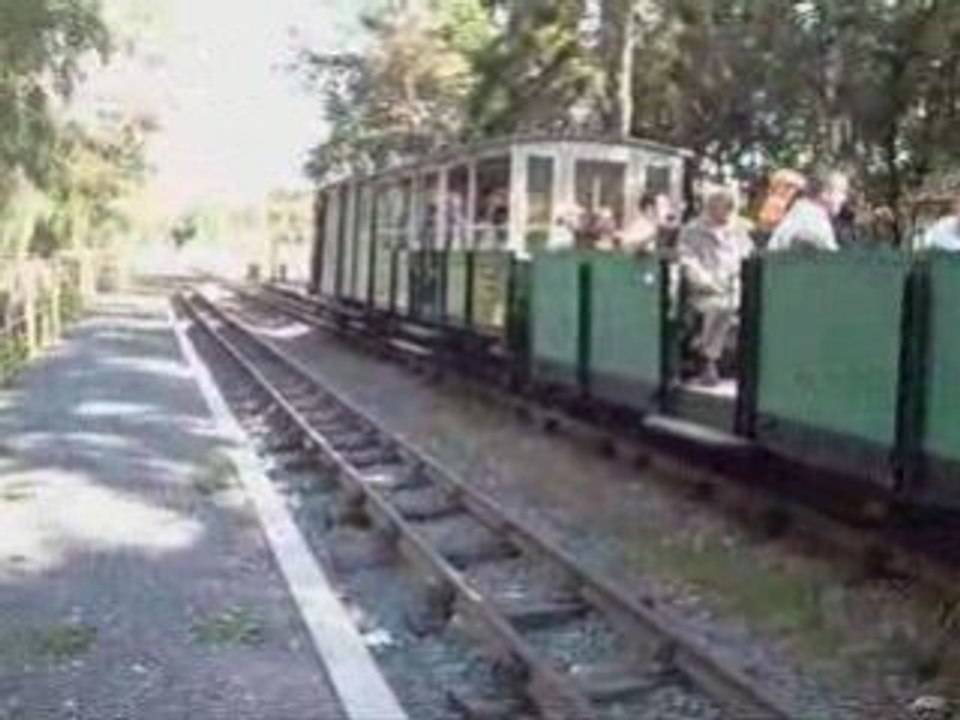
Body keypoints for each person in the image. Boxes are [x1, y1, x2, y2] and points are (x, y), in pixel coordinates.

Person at [678, 187, 754, 386]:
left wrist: (741, 278)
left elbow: (749, 256)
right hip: (705, 290)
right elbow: (687, 261)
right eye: (725, 205)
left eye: (732, 205)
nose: (729, 209)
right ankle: (709, 359)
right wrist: (707, 282)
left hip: (735, 285)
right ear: (711, 206)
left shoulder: (738, 230)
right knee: (722, 306)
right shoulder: (692, 230)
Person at [767, 170, 850, 252]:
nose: (844, 198)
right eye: (841, 192)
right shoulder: (813, 222)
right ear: (824, 193)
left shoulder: (803, 212)